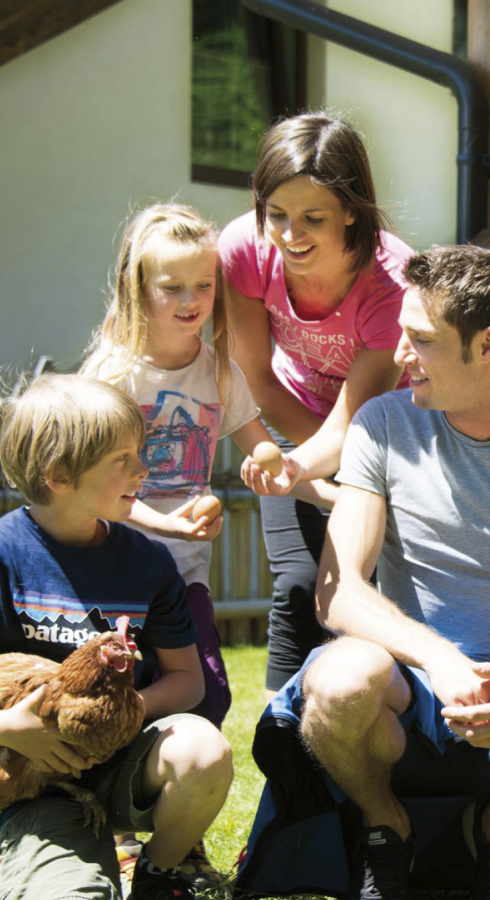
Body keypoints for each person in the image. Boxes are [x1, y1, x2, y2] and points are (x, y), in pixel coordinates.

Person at [246, 244, 490, 900]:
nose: (398, 354)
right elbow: (337, 590)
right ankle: (385, 826)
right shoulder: (382, 424)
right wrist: (440, 662)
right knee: (338, 680)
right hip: (408, 688)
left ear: (488, 345)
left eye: (421, 340)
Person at [80, 203, 336, 884]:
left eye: (204, 286)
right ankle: (104, 831)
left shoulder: (219, 372)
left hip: (184, 576)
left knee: (205, 696)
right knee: (115, 702)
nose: (193, 301)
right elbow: (99, 493)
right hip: (114, 575)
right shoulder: (113, 376)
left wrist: (326, 493)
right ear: (138, 290)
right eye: (173, 288)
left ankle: (176, 840)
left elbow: (269, 455)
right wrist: (170, 524)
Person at [0, 373, 233, 900]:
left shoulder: (148, 561)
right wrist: (5, 727)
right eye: (122, 460)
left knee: (204, 750)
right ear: (59, 475)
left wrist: (110, 720)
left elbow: (187, 682)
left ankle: (158, 872)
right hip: (33, 770)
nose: (143, 470)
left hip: (129, 755)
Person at [219, 111, 413, 697]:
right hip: (291, 418)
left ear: (351, 209)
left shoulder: (390, 283)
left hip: (384, 438)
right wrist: (301, 468)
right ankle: (285, 758)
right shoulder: (243, 252)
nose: (288, 234)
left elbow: (357, 418)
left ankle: (368, 738)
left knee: (366, 592)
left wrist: (314, 471)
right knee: (302, 585)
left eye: (312, 218)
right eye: (275, 214)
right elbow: (254, 376)